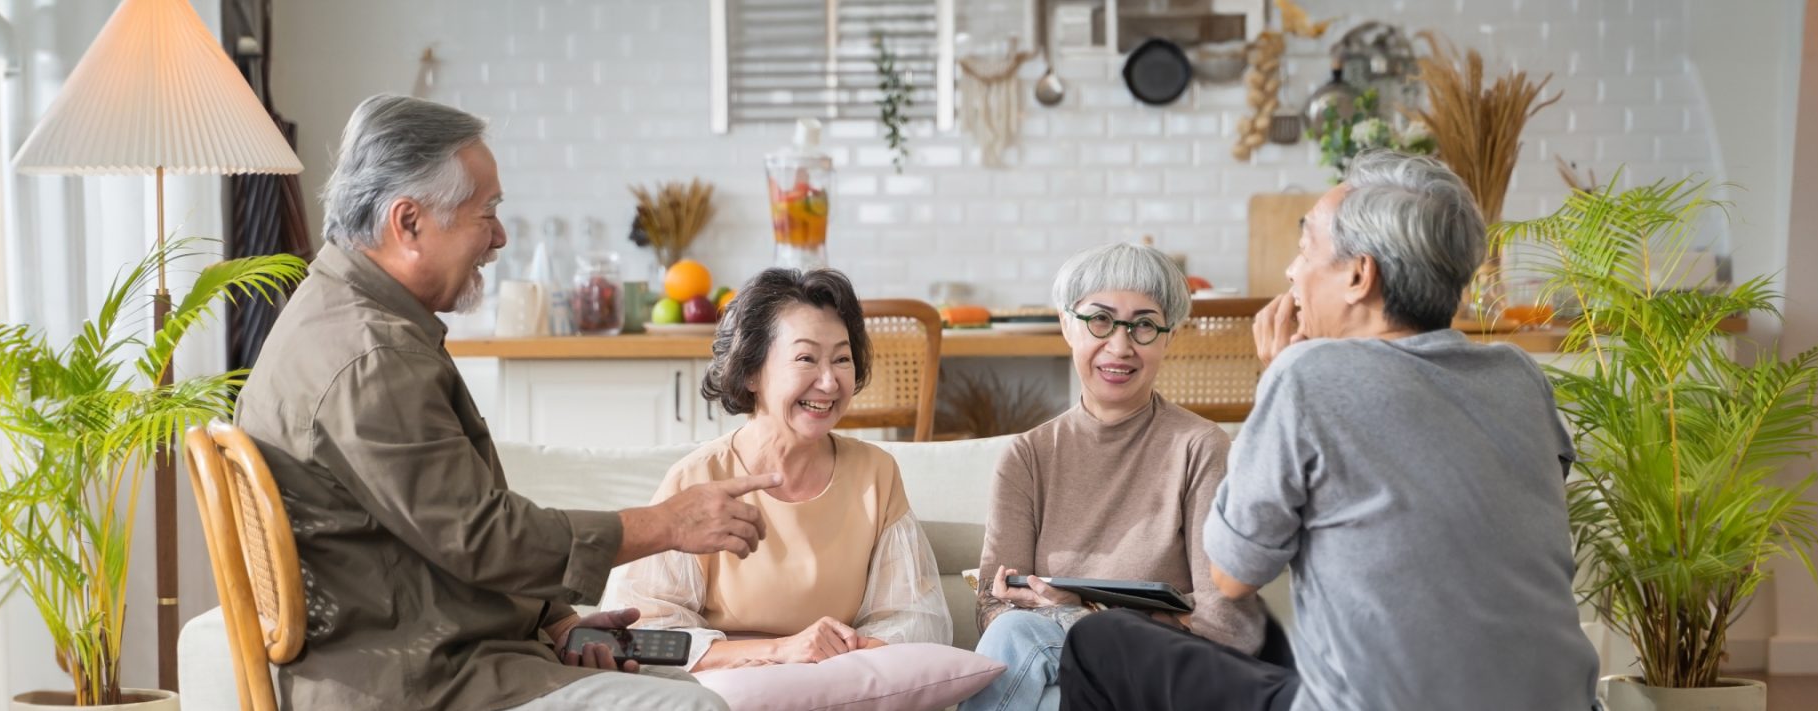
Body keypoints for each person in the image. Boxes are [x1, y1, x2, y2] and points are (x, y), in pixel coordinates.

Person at [238, 95, 767, 711]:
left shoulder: (332, 316)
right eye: (485, 212)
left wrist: (557, 622)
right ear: (408, 222)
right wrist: (667, 524)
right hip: (418, 682)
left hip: (426, 654)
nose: (499, 237)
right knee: (693, 707)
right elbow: (481, 537)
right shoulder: (374, 358)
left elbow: (432, 532)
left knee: (677, 687)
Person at [1056, 151, 1601, 710]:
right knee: (1272, 641)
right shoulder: (1518, 374)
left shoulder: (1307, 373)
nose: (1291, 273)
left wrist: (1275, 380)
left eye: (1305, 249)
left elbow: (1231, 574)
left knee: (1100, 641)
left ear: (1359, 276)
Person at [963, 242, 1268, 711]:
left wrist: (1084, 615)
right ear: (1067, 325)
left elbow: (1227, 623)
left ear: (1168, 337)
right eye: (1100, 320)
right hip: (1060, 676)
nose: (1120, 346)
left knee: (1023, 638)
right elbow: (992, 606)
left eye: (1144, 325)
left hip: (1164, 671)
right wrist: (1048, 615)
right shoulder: (1028, 456)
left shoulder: (1200, 448)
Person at [606, 268, 952, 671]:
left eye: (842, 358)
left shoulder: (876, 474)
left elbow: (915, 620)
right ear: (751, 371)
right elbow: (635, 637)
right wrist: (780, 651)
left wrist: (838, 660)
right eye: (806, 358)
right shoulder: (698, 479)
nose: (828, 381)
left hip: (840, 686)